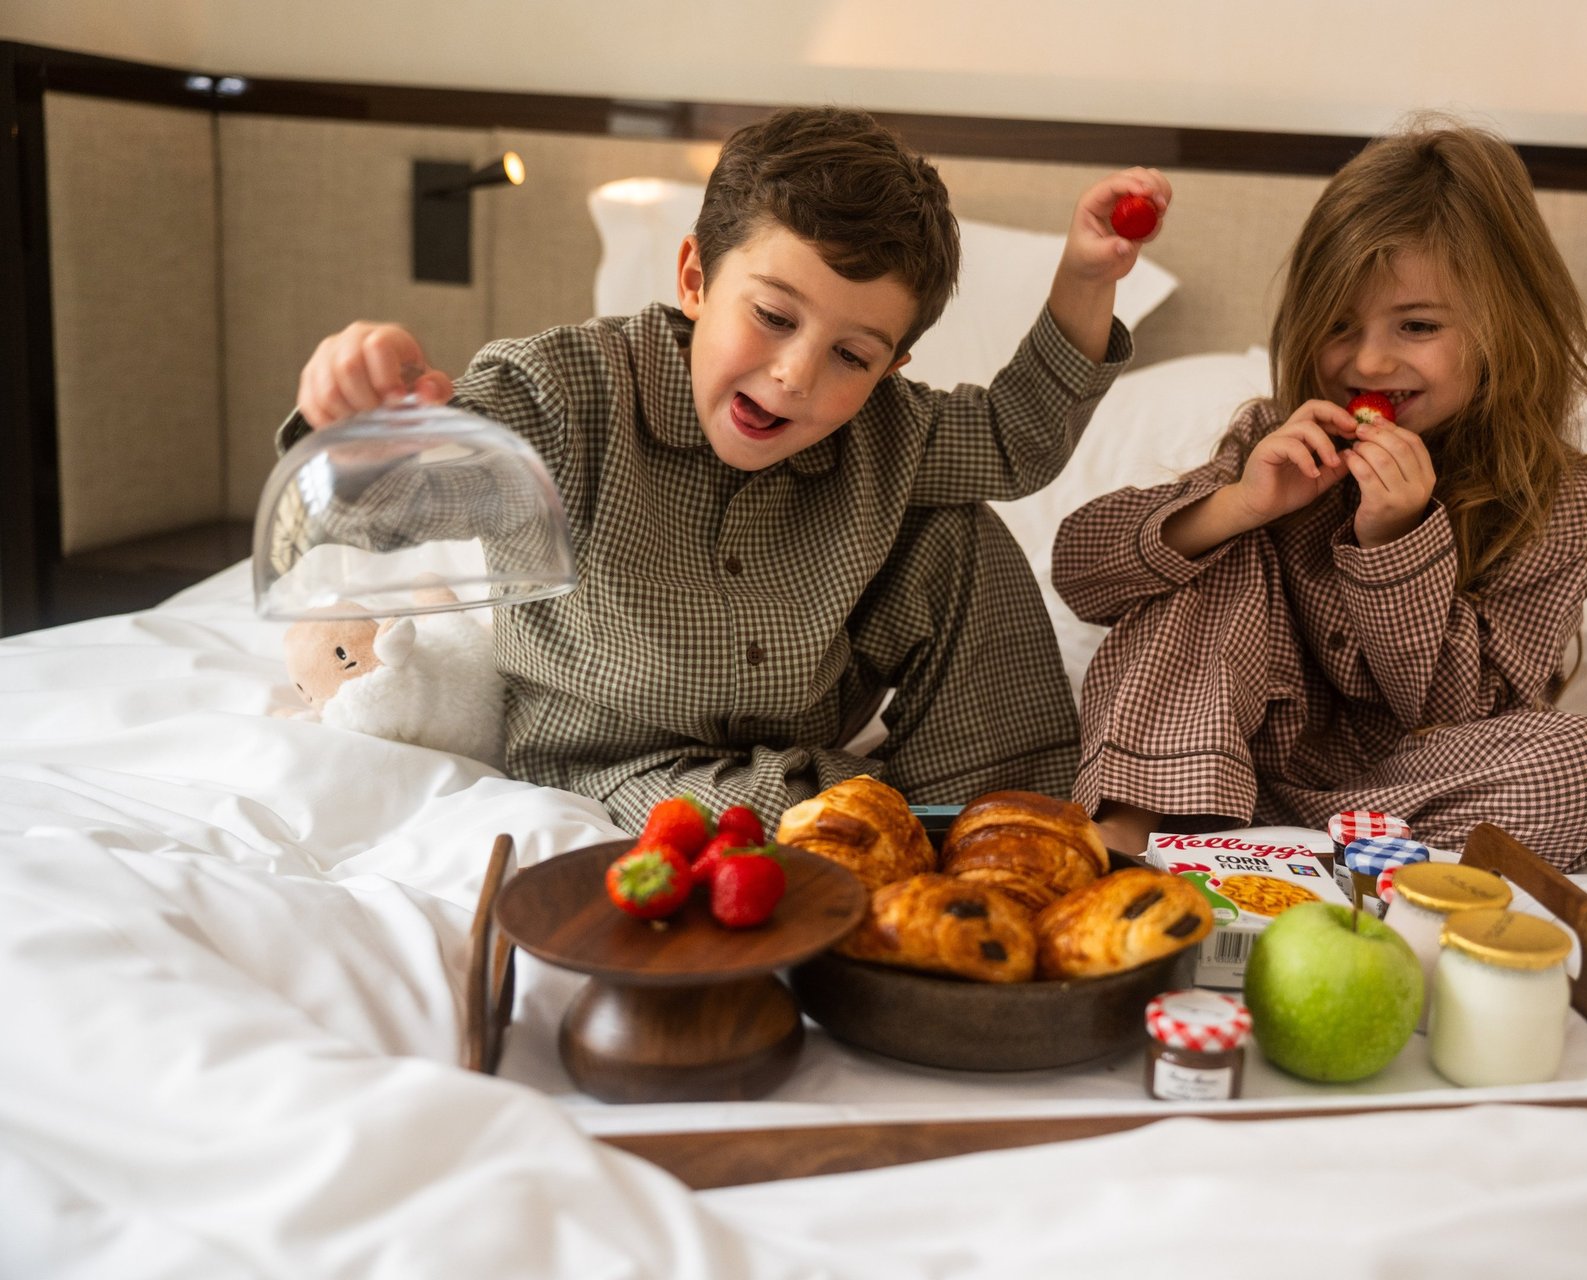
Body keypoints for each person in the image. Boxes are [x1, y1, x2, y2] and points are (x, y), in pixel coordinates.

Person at [282, 106, 1170, 831]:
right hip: (613, 760)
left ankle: (994, 807)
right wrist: (361, 425)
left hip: (802, 733)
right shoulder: (560, 394)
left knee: (957, 528)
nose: (796, 376)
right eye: (775, 317)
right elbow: (392, 506)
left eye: (851, 356)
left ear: (891, 368)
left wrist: (1086, 282)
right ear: (697, 280)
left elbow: (1014, 439)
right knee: (794, 826)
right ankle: (872, 817)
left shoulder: (885, 433)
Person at [1054, 117, 1587, 871]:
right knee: (1220, 552)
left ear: (1505, 326)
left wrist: (1395, 543)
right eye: (1338, 326)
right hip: (1207, 760)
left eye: (1417, 325)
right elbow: (1079, 572)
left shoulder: (1552, 501)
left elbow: (1460, 717)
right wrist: (1241, 505)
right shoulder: (1278, 443)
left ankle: (1289, 857)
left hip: (1393, 788)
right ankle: (1127, 837)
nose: (1368, 360)